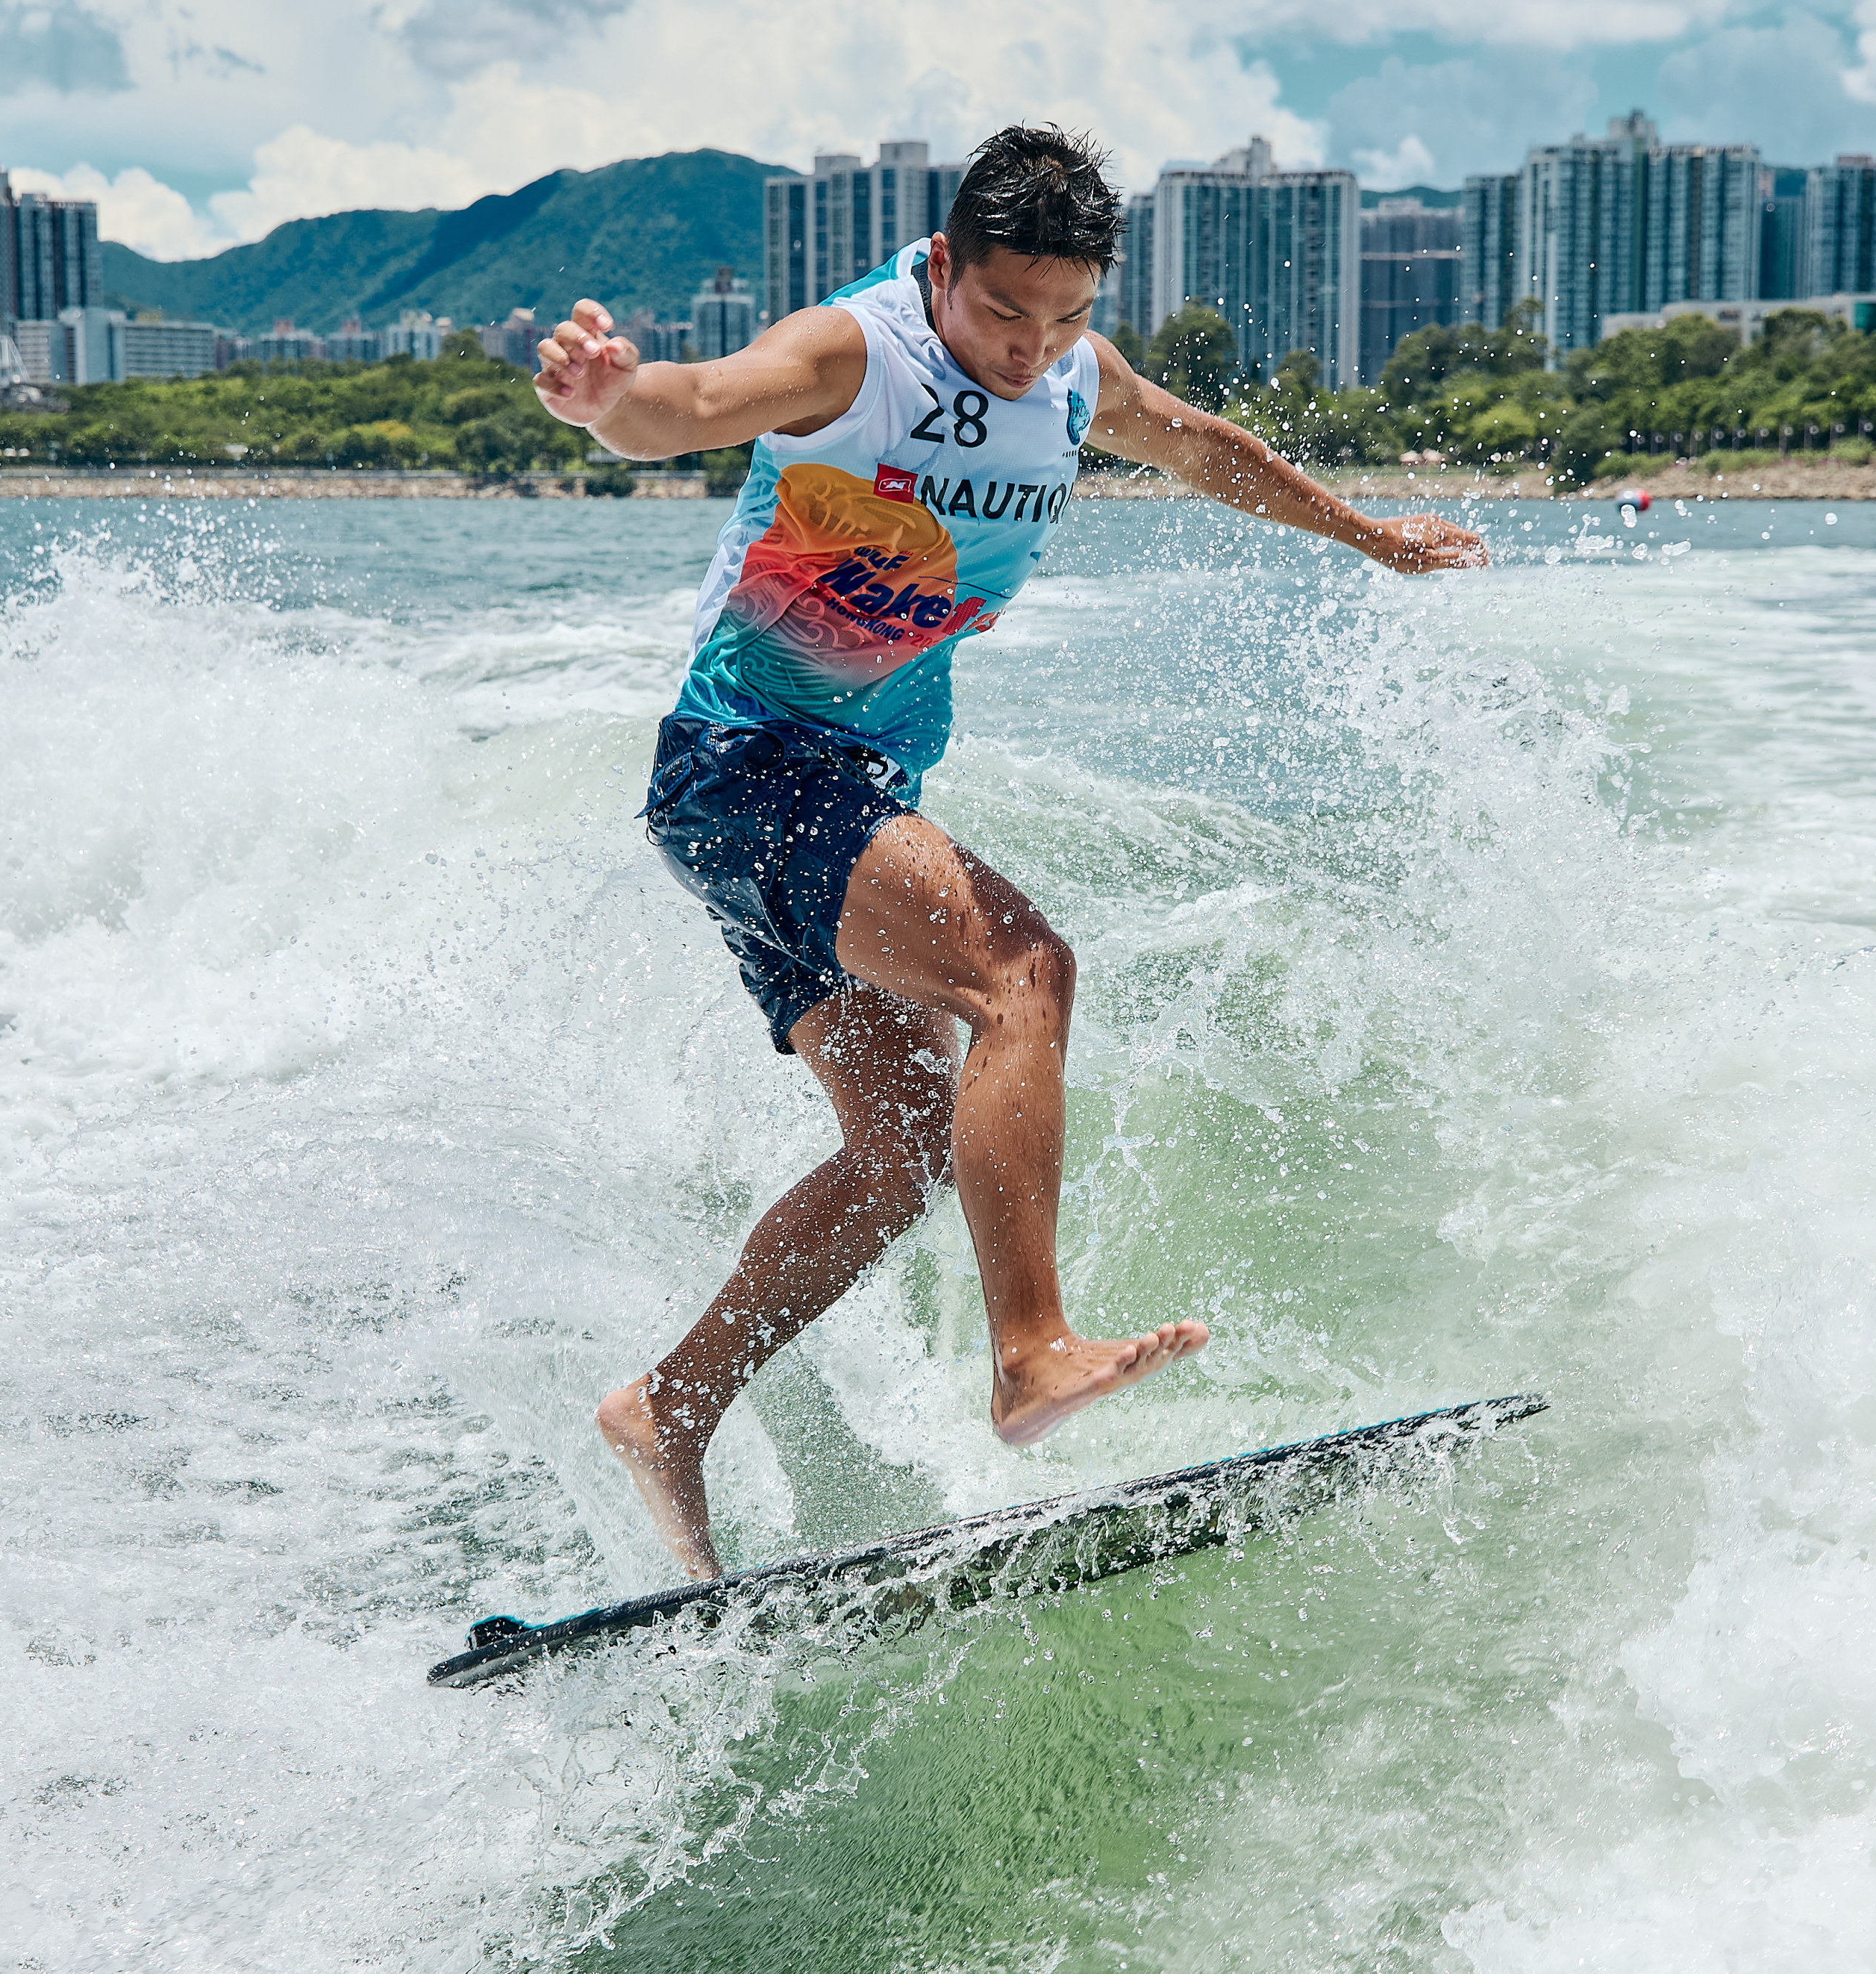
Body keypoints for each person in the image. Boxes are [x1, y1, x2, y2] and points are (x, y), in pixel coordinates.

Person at [534, 125, 1485, 1580]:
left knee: (899, 1152)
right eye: (999, 313)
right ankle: (1028, 1351)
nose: (1026, 349)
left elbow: (1199, 448)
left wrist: (1359, 534)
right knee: (1018, 972)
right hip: (747, 769)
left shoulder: (1068, 375)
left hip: (810, 790)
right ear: (939, 269)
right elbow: (694, 402)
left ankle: (667, 1407)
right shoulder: (855, 352)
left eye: (1064, 317)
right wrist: (611, 405)